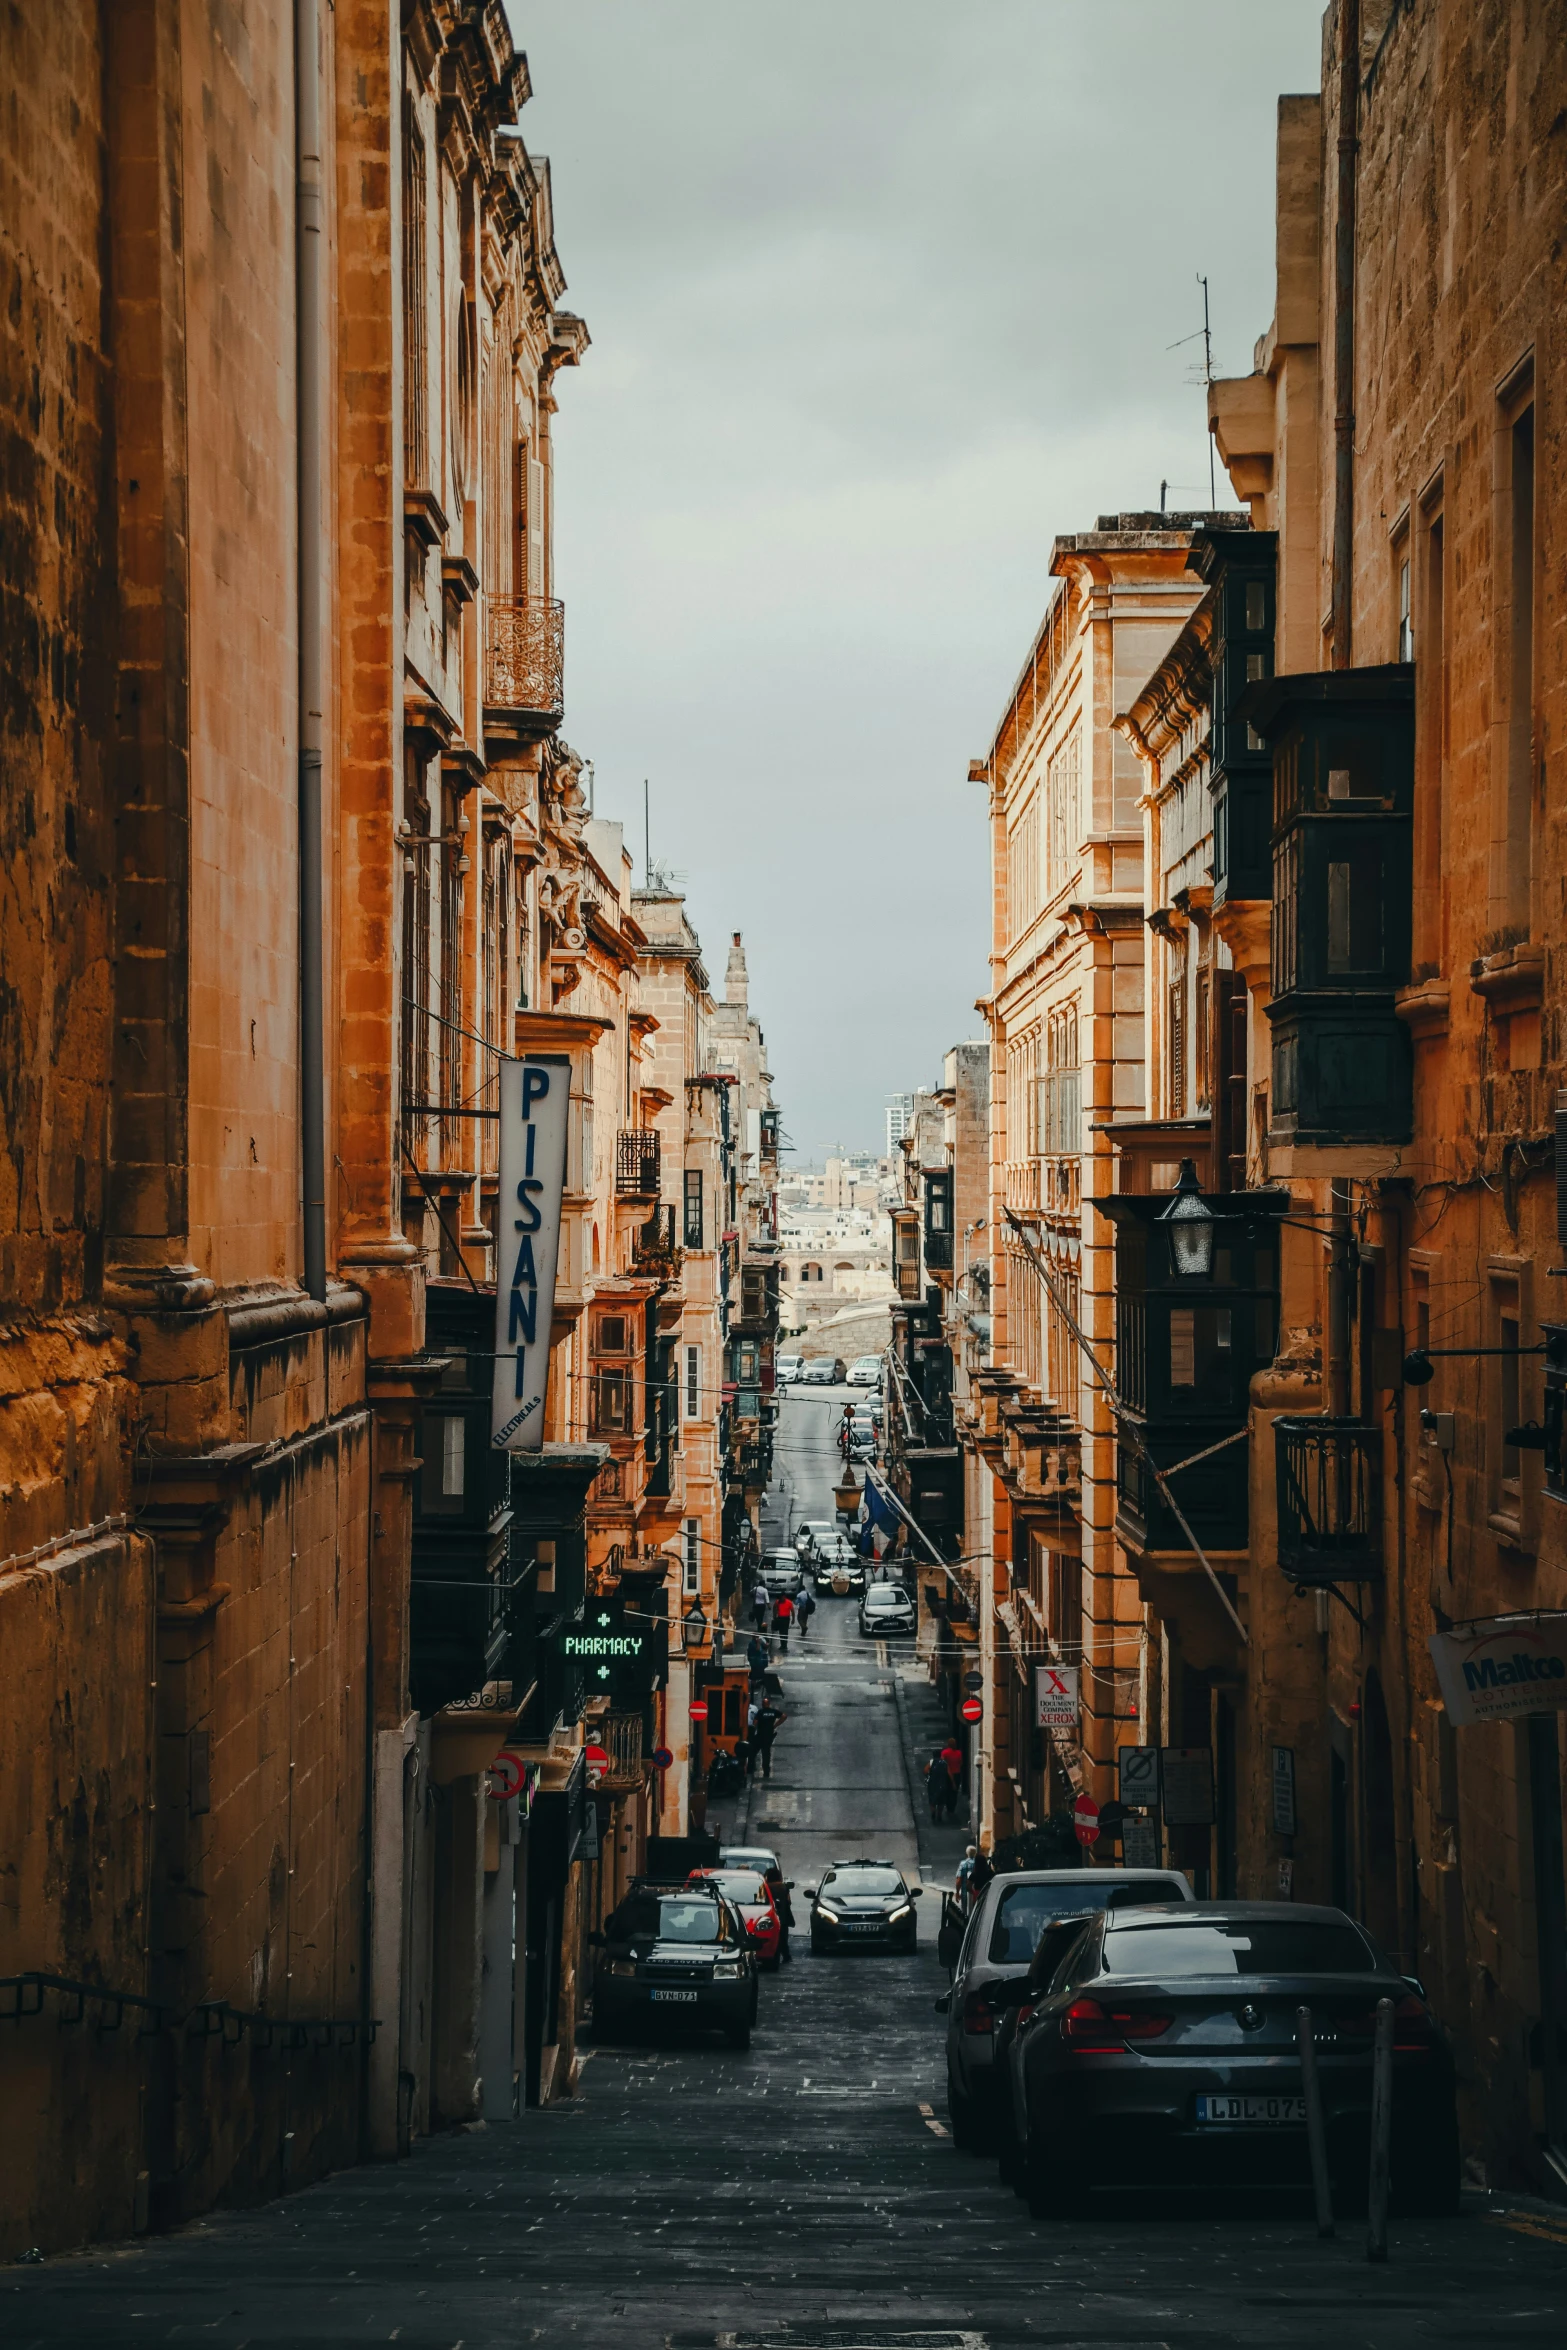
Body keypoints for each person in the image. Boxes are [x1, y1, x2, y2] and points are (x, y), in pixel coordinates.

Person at [750, 1695, 786, 1780]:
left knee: (753, 1752)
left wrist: (752, 1732)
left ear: (763, 1704)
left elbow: (755, 1723)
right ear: (769, 1704)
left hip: (759, 1736)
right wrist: (775, 1725)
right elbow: (784, 1716)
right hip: (769, 1736)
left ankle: (750, 1769)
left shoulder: (760, 1712)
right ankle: (766, 1772)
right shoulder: (773, 1712)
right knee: (766, 1754)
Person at [925, 1750, 953, 1823]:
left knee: (932, 1799)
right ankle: (939, 1815)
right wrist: (953, 1783)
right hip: (942, 1784)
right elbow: (949, 1774)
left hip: (932, 1784)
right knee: (941, 1801)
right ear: (940, 1755)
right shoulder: (944, 1763)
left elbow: (925, 1770)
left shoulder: (931, 1762)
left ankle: (933, 1811)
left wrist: (929, 1774)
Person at [774, 1588, 794, 1653]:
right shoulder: (778, 1602)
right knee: (781, 1632)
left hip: (786, 1619)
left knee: (785, 1632)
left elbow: (792, 1611)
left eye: (782, 1597)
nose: (781, 1599)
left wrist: (793, 1619)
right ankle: (782, 1645)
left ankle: (785, 1645)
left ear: (784, 1597)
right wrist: (774, 1616)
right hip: (780, 1618)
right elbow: (774, 1608)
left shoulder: (789, 1602)